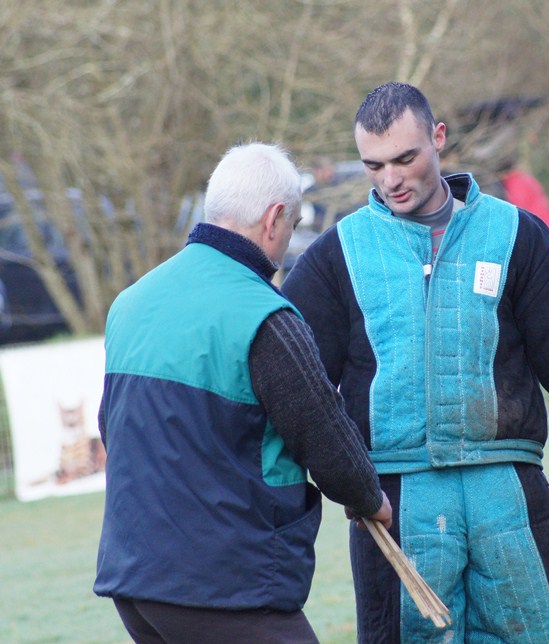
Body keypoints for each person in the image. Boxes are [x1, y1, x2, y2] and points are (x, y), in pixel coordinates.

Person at [281, 82, 549, 643]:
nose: (391, 179)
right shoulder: (336, 256)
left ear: (439, 139)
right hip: (395, 505)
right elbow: (291, 384)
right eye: (374, 165)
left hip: (508, 492)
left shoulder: (516, 236)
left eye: (406, 158)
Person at [94, 141, 392, 644]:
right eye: (293, 228)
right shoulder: (265, 316)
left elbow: (115, 426)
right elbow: (323, 434)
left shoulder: (130, 303)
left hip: (136, 583)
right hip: (225, 587)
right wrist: (370, 499)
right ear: (274, 219)